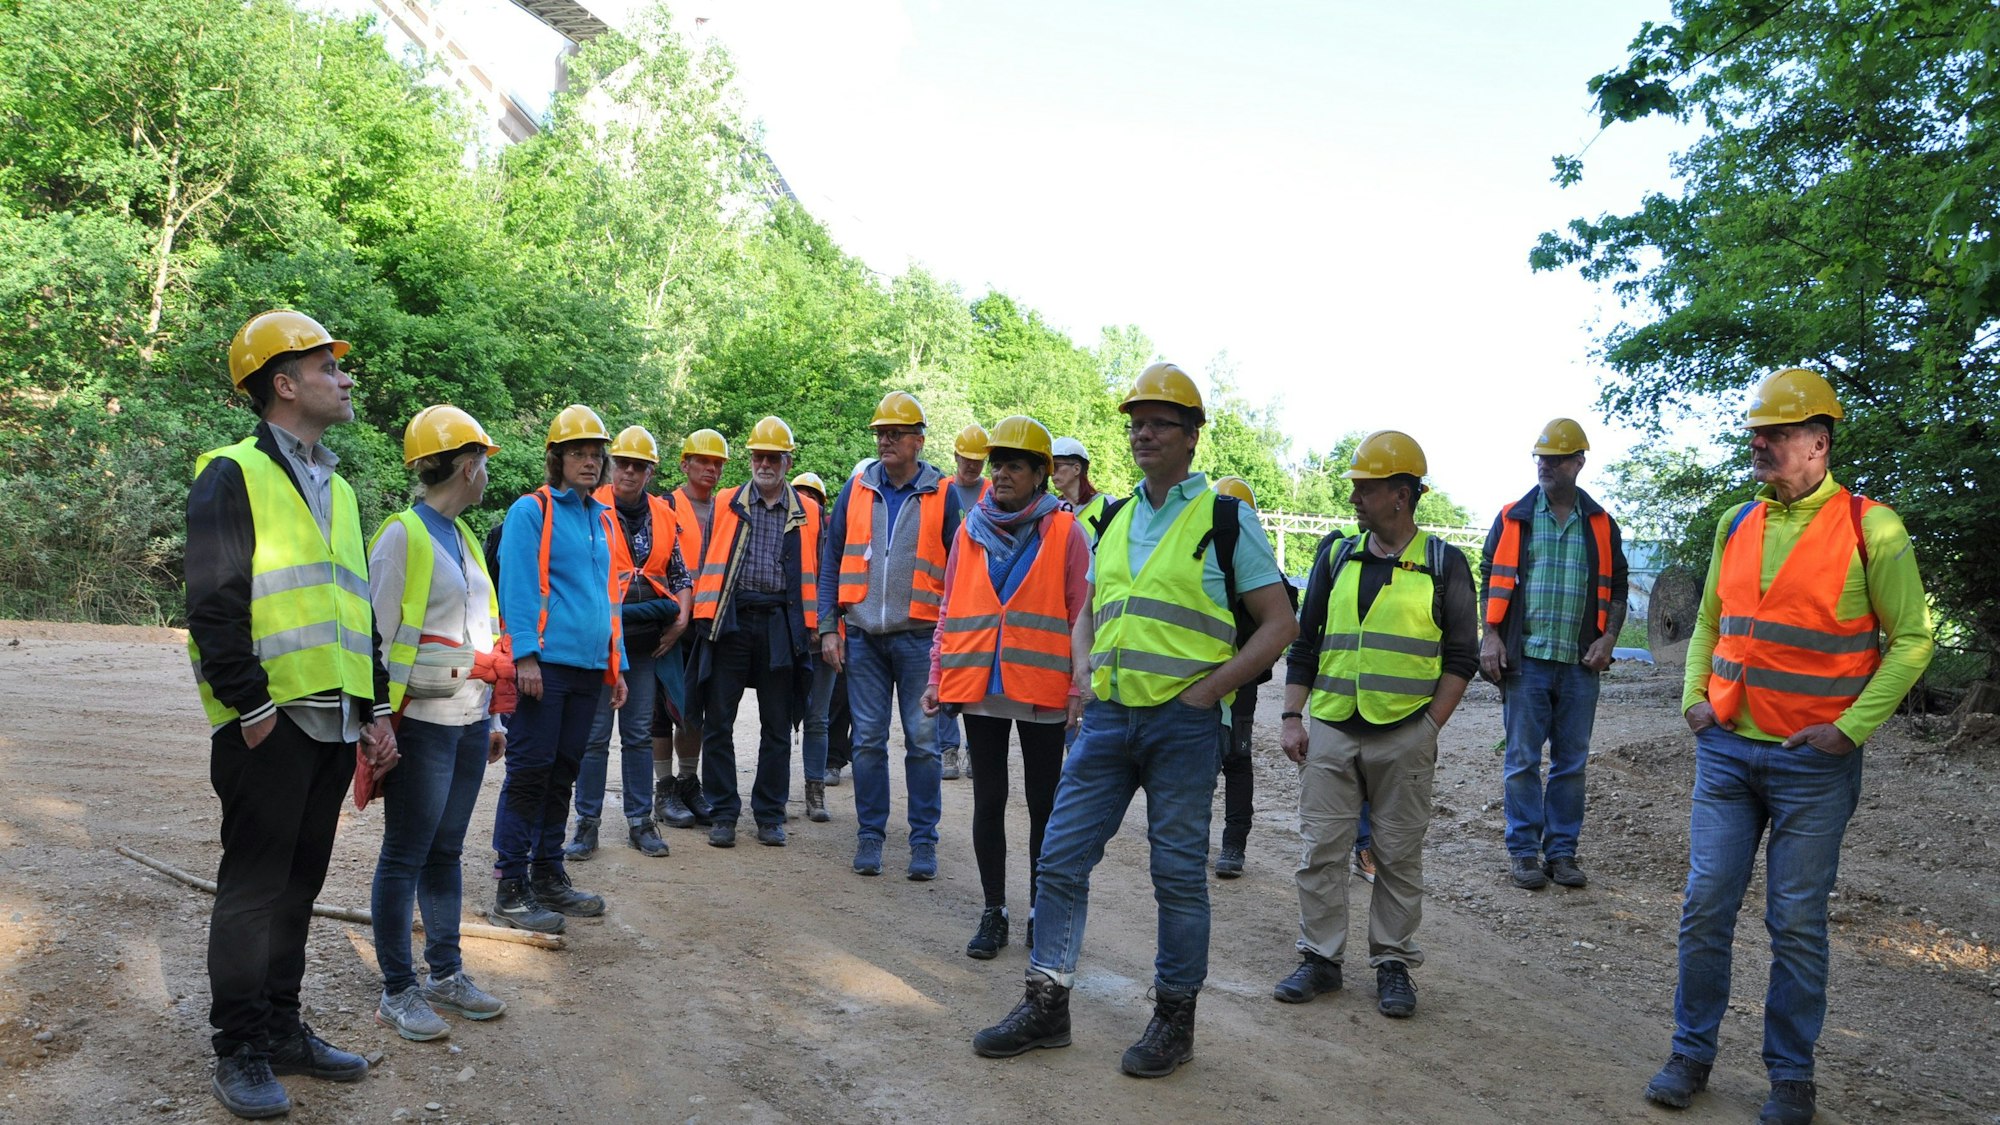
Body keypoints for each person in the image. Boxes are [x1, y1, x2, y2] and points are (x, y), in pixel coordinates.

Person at [972, 363, 1297, 1078]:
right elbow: (1089, 605)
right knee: (1059, 857)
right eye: (1136, 422)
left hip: (1183, 723)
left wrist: (1210, 693)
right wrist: (1082, 671)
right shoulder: (1114, 517)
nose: (1143, 432)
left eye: (1158, 422)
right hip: (1110, 717)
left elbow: (1279, 623)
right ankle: (1047, 1002)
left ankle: (1174, 1019)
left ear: (1191, 436)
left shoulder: (1223, 517)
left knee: (1177, 874)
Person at [1643, 368, 1932, 1125]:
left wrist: (1848, 729)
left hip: (1815, 765)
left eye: (1775, 433)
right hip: (1728, 753)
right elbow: (1708, 619)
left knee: (1796, 921)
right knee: (1706, 904)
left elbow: (1912, 641)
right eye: (1755, 432)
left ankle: (1792, 1077)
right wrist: (1693, 700)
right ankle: (1690, 1052)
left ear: (1819, 442)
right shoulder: (1737, 522)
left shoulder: (1875, 529)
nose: (1759, 443)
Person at [185, 310, 395, 1117]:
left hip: (334, 724)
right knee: (253, 886)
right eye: (327, 367)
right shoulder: (230, 473)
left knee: (300, 883)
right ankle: (238, 1045)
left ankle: (280, 1027)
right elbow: (212, 603)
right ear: (283, 382)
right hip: (268, 725)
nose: (343, 379)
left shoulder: (338, 487)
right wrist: (253, 706)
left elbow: (356, 612)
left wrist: (374, 707)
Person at [1272, 430, 1478, 1020]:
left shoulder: (1443, 563)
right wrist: (1291, 715)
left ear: (1403, 495)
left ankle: (1392, 963)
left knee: (1397, 854)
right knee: (1321, 850)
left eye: (1367, 487)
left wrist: (1428, 728)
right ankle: (1321, 960)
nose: (1355, 497)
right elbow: (1304, 642)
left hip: (1405, 732)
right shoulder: (1335, 554)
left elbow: (1463, 657)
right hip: (1333, 727)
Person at [367, 405, 510, 1042]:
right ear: (468, 464)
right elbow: (374, 636)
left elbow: (479, 633)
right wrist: (378, 720)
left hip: (469, 720)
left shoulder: (464, 537)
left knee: (446, 851)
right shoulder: (403, 535)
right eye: (484, 460)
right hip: (420, 722)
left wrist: (492, 714)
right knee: (405, 856)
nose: (488, 473)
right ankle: (398, 989)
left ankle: (445, 974)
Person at [922, 416, 1088, 959]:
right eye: (998, 465)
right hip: (981, 685)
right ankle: (994, 910)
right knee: (989, 800)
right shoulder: (971, 527)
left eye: (1015, 465)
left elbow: (1080, 612)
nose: (1001, 475)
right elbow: (949, 607)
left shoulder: (1066, 531)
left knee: (1045, 804)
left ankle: (1042, 912)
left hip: (1042, 685)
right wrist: (937, 675)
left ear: (1042, 474)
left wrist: (1076, 689)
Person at [489, 405, 626, 932]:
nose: (589, 462)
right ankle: (511, 882)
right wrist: (524, 654)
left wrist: (618, 663)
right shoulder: (533, 510)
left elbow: (609, 598)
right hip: (544, 667)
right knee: (530, 772)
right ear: (557, 458)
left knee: (563, 773)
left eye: (596, 454)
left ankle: (548, 874)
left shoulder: (602, 517)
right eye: (578, 453)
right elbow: (517, 585)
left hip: (590, 668)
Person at [819, 392, 966, 879]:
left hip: (920, 640)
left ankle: (924, 842)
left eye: (895, 433)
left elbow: (961, 575)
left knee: (923, 746)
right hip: (862, 635)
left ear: (918, 441)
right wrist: (828, 627)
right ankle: (871, 837)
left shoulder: (943, 494)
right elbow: (831, 558)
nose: (884, 440)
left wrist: (949, 647)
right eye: (880, 433)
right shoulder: (857, 488)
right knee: (866, 742)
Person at [1479, 418, 1630, 891]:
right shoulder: (1513, 517)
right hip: (1527, 661)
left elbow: (1619, 588)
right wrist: (1491, 635)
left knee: (1571, 763)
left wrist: (1608, 639)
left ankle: (1562, 852)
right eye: (1540, 457)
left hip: (1580, 663)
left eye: (1556, 458)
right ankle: (1524, 852)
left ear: (1579, 462)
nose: (1545, 465)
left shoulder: (1602, 524)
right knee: (1522, 760)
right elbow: (1491, 576)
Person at [690, 416, 821, 847]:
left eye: (773, 457)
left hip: (782, 624)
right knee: (718, 721)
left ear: (787, 461)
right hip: (732, 620)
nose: (764, 464)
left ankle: (769, 815)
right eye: (758, 456)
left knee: (778, 724)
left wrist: (817, 628)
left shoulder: (809, 512)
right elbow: (710, 563)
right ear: (750, 459)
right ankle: (724, 813)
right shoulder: (728, 503)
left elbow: (818, 574)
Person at [566, 426, 693, 861]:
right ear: (611, 466)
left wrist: (682, 617)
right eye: (623, 464)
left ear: (651, 472)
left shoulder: (663, 514)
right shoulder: (587, 505)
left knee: (638, 734)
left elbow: (680, 577)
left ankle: (641, 822)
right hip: (600, 641)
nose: (630, 472)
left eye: (640, 466)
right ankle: (587, 823)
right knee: (596, 736)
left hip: (643, 643)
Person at [1205, 475, 1291, 879]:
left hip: (1237, 682)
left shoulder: (1261, 568)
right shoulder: (1203, 555)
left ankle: (1233, 845)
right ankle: (1212, 844)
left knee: (1235, 758)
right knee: (1204, 759)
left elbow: (1280, 623)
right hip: (1207, 675)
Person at [652, 429, 728, 830]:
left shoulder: (728, 510)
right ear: (685, 464)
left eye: (717, 463)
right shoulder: (665, 506)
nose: (711, 469)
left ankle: (687, 780)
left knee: (697, 709)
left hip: (708, 624)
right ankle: (664, 788)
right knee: (662, 709)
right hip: (669, 624)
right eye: (703, 461)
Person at [940, 423, 991, 781]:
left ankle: (976, 751)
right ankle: (948, 750)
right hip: (949, 592)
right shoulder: (943, 491)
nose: (971, 465)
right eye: (966, 459)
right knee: (948, 672)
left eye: (978, 460)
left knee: (979, 674)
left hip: (984, 595)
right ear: (956, 456)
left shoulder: (994, 492)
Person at [792, 471, 838, 822]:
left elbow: (833, 586)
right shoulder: (779, 530)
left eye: (812, 496)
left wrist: (827, 631)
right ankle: (775, 791)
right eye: (800, 494)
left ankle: (814, 791)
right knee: (777, 718)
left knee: (818, 719)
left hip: (821, 638)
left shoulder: (832, 537)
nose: (806, 502)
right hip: (789, 637)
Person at [1051, 436, 1106, 538]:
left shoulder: (1107, 504)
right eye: (1049, 467)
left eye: (1056, 466)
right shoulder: (1053, 509)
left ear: (1076, 469)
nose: (1051, 472)